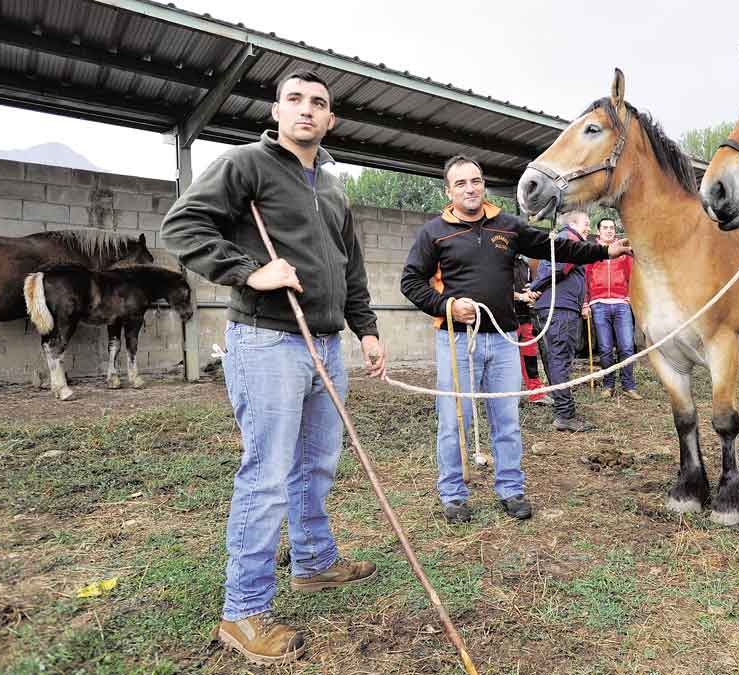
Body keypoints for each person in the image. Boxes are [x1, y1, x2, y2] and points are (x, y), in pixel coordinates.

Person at [162, 70, 386, 666]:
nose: (306, 109)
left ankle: (313, 562)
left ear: (330, 119)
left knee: (317, 462)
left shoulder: (332, 187)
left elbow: (350, 266)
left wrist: (366, 329)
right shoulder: (246, 165)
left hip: (326, 344)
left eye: (318, 103)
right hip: (267, 341)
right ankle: (243, 612)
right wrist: (249, 271)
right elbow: (181, 226)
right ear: (277, 110)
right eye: (295, 100)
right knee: (267, 474)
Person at [400, 157, 630, 524]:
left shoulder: (507, 226)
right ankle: (454, 495)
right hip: (457, 341)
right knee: (454, 422)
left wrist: (604, 251)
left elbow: (557, 249)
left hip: (504, 340)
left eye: (475, 181)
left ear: (483, 184)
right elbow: (411, 281)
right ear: (448, 191)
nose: (470, 188)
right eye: (461, 183)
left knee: (506, 420)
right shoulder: (434, 232)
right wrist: (447, 306)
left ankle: (510, 489)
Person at [531, 210, 593, 432]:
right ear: (573, 224)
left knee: (555, 359)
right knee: (560, 359)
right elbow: (558, 268)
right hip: (560, 309)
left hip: (556, 307)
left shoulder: (563, 240)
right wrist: (534, 288)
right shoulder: (570, 240)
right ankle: (565, 414)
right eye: (586, 223)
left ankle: (562, 410)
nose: (589, 228)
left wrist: (535, 288)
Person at [584, 218, 642, 400]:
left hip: (621, 303)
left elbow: (632, 276)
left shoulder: (623, 251)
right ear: (598, 231)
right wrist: (585, 303)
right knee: (605, 348)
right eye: (605, 228)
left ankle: (628, 385)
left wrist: (630, 297)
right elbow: (584, 278)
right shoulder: (592, 251)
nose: (609, 230)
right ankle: (608, 385)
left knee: (627, 347)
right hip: (599, 304)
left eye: (611, 228)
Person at [513, 254, 550, 405]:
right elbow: (497, 290)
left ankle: (536, 393)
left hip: (525, 316)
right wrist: (521, 297)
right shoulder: (499, 261)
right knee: (506, 359)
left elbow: (528, 285)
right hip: (506, 318)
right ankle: (507, 396)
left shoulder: (524, 263)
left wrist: (533, 294)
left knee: (530, 355)